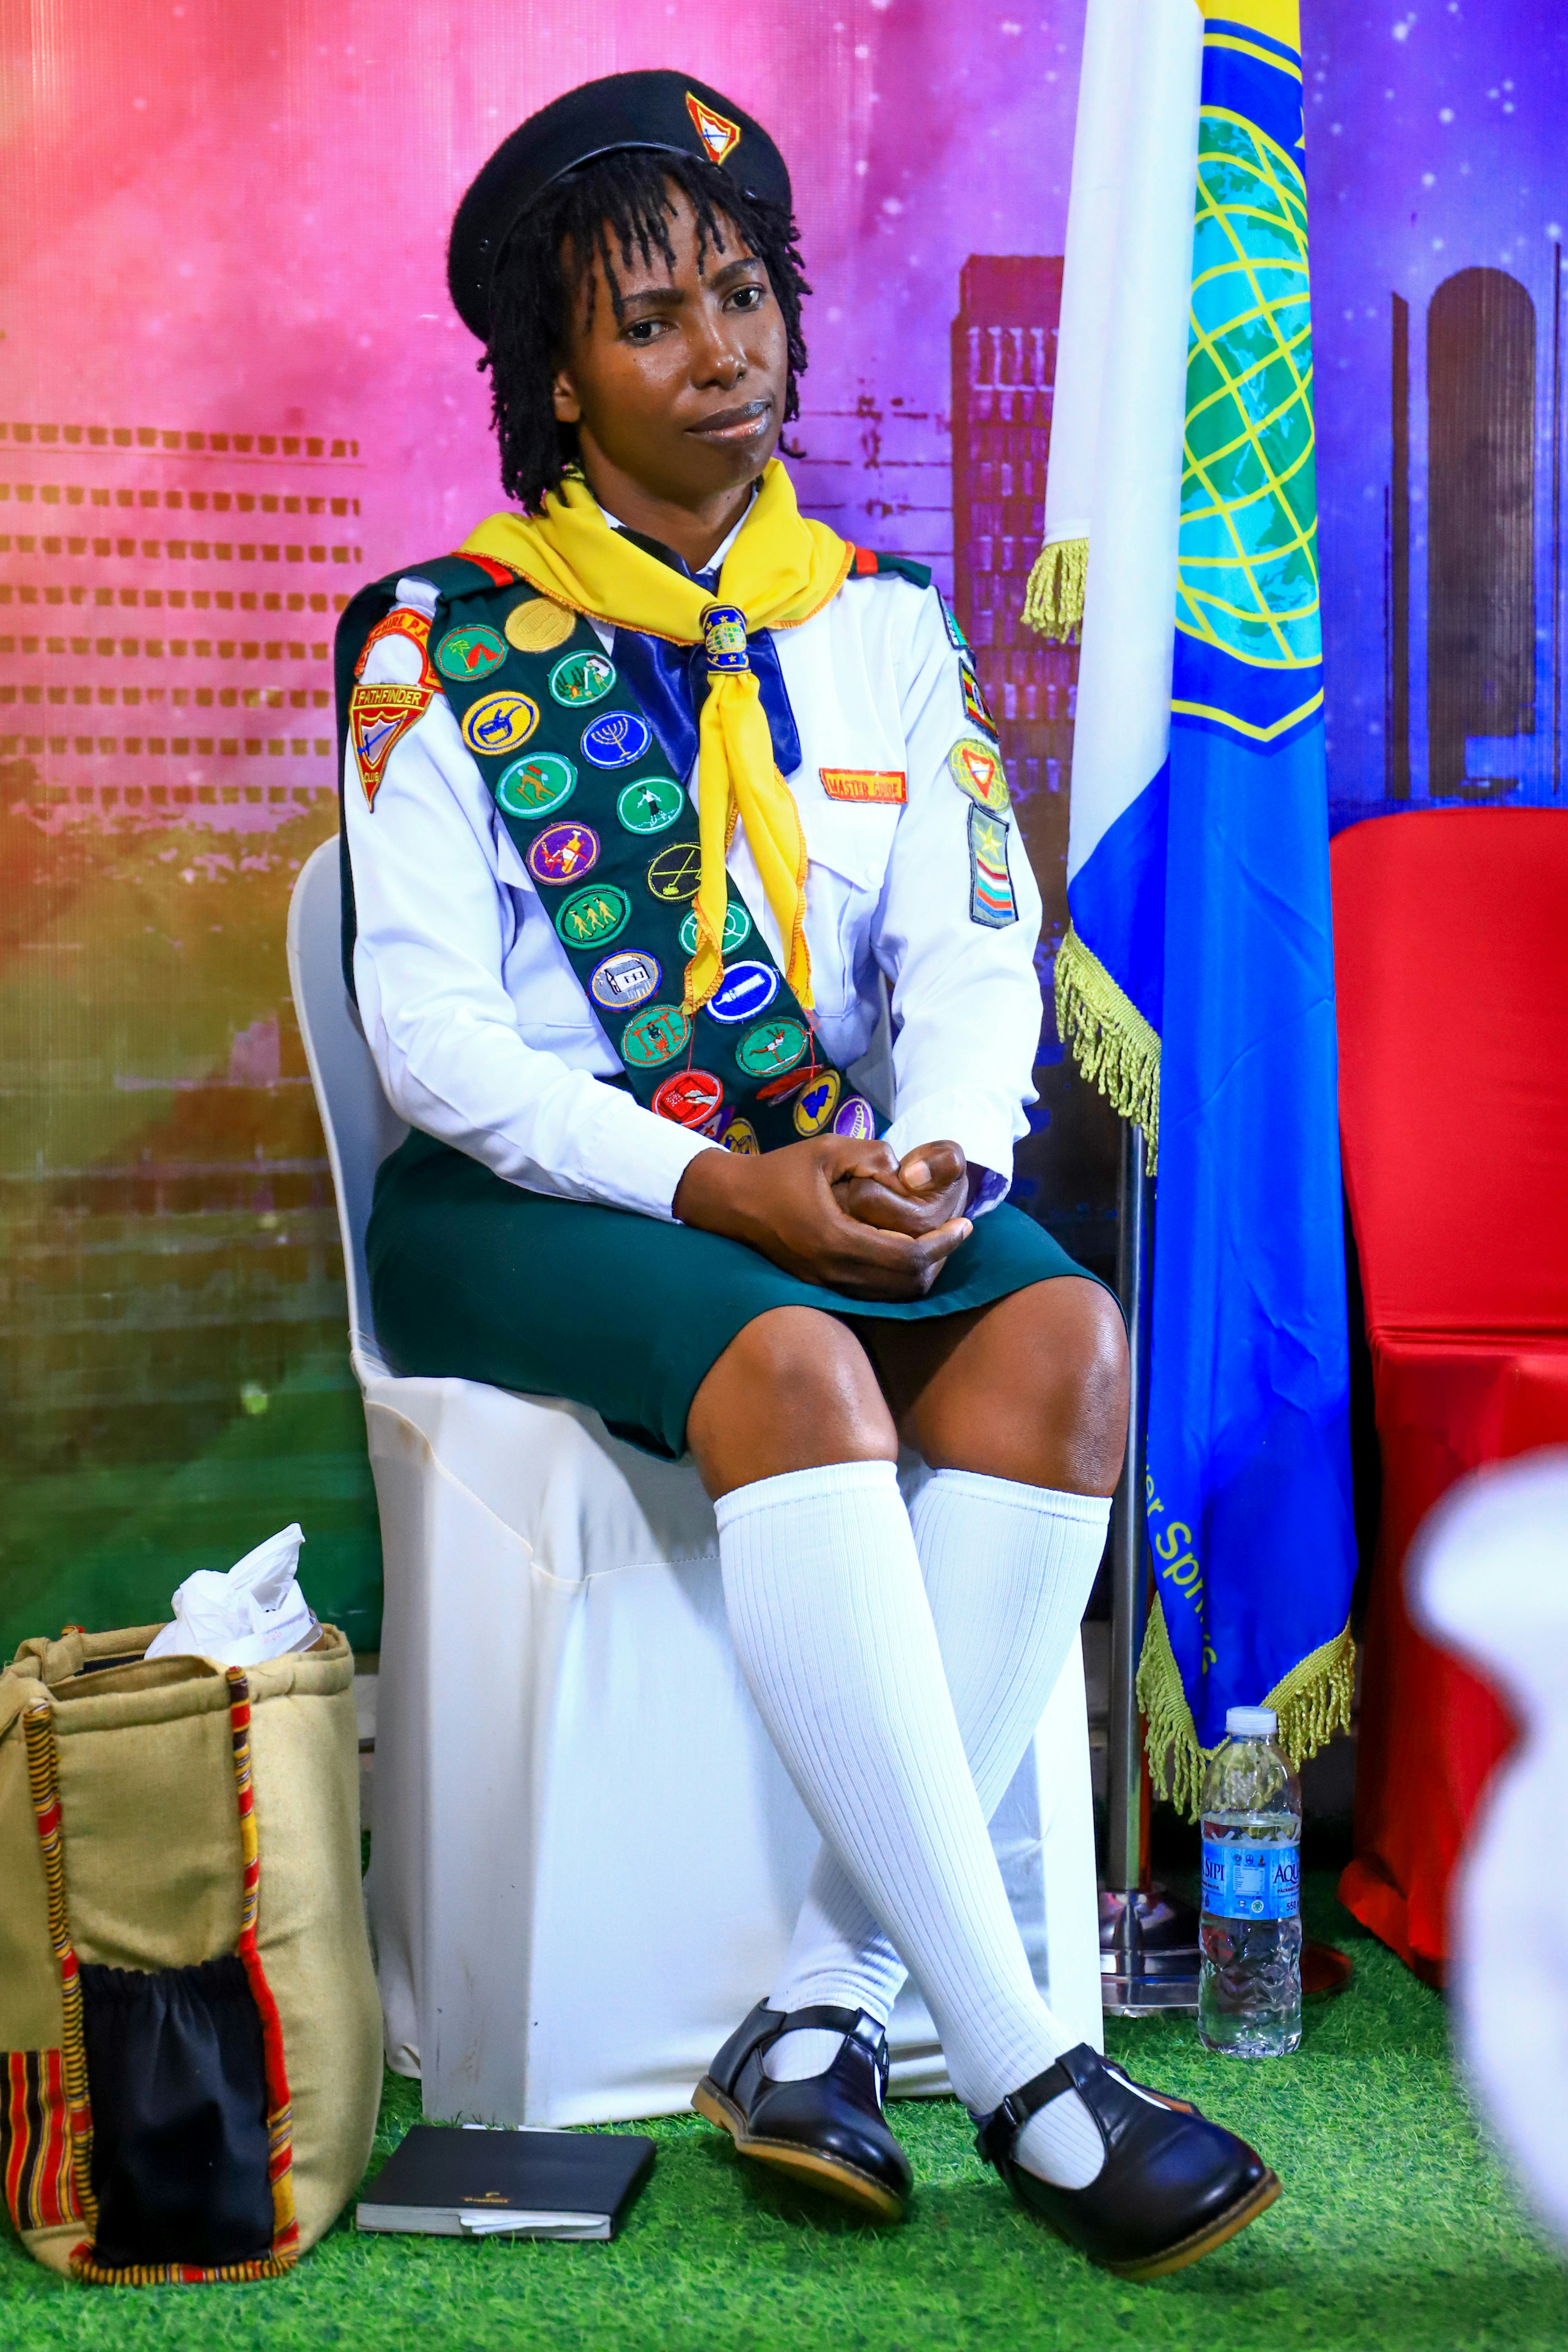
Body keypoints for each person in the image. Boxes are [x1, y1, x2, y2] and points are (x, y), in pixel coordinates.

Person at [337, 69, 1279, 2279]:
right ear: (555, 381)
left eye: (743, 297)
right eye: (651, 322)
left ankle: (821, 2005)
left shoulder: (879, 622)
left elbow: (967, 948)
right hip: (538, 1204)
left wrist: (938, 1156)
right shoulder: (437, 645)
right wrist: (714, 1193)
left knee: (1058, 1334)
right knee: (795, 1369)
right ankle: (1034, 2073)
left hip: (814, 1169)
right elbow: (438, 1047)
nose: (722, 354)